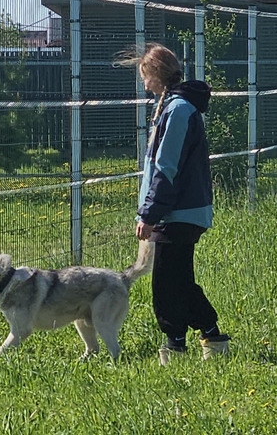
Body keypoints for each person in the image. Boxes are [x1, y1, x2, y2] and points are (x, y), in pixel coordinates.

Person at [116, 43, 230, 366]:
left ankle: (175, 347)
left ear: (156, 74)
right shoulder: (173, 107)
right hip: (180, 210)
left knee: (166, 283)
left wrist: (149, 214)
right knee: (178, 279)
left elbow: (166, 168)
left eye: (145, 76)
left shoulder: (178, 110)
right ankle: (212, 335)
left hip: (177, 211)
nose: (144, 84)